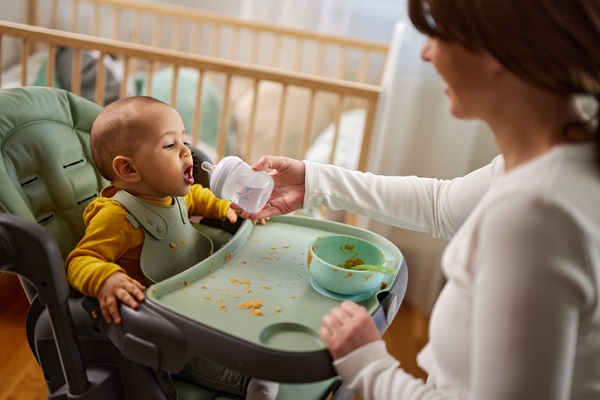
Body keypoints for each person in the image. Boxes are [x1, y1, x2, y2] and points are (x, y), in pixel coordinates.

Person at [237, 0, 600, 398]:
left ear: (499, 47)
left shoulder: (533, 214)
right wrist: (316, 181)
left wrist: (368, 363)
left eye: (437, 35)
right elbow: (441, 205)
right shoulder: (559, 158)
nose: (426, 54)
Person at [65, 96, 277, 400]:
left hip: (194, 298)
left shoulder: (173, 193)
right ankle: (251, 383)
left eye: (184, 140)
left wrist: (226, 206)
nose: (186, 151)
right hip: (163, 324)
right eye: (169, 145)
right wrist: (106, 279)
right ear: (128, 169)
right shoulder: (118, 217)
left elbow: (199, 197)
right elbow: (82, 259)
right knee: (203, 355)